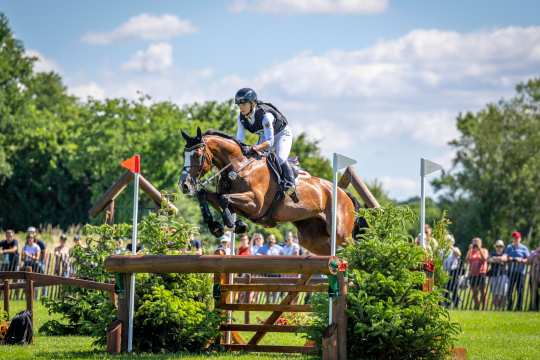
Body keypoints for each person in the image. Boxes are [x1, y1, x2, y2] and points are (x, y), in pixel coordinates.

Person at [234, 88, 298, 202]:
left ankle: (290, 185)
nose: (241, 107)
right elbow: (239, 140)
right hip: (265, 136)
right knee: (255, 160)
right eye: (239, 104)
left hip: (282, 134)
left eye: (243, 104)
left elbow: (270, 142)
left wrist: (256, 147)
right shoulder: (241, 118)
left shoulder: (265, 115)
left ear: (252, 103)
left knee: (280, 159)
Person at [505, 231, 530, 311]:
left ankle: (519, 307)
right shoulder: (509, 247)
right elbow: (506, 256)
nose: (515, 239)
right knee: (509, 290)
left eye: (517, 238)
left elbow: (528, 260)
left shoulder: (524, 248)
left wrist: (521, 260)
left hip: (520, 272)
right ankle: (509, 306)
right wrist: (510, 258)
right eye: (514, 238)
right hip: (511, 272)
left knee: (520, 290)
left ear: (520, 239)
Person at [466, 237, 488, 310]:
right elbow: (467, 260)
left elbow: (484, 259)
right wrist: (469, 249)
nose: (475, 244)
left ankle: (484, 307)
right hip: (472, 274)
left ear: (480, 243)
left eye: (477, 242)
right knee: (474, 292)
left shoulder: (484, 250)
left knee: (483, 291)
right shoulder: (471, 251)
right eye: (474, 242)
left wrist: (479, 249)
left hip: (481, 273)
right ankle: (477, 306)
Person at [488, 240, 508, 310]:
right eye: (497, 246)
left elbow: (504, 258)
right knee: (494, 293)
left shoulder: (505, 253)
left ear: (503, 247)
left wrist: (495, 258)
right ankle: (496, 308)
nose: (499, 247)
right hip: (493, 275)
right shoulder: (492, 253)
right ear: (495, 246)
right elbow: (489, 260)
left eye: (501, 246)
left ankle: (502, 308)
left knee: (503, 293)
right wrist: (500, 259)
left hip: (503, 274)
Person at [442, 234, 461, 308]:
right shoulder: (443, 250)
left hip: (453, 271)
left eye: (448, 241)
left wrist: (451, 247)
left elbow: (458, 253)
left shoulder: (455, 248)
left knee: (454, 288)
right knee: (445, 288)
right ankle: (447, 303)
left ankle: (456, 303)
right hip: (445, 271)